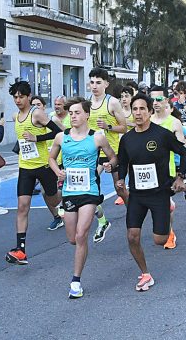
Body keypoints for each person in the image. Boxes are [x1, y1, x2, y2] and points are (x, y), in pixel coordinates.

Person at [116, 93, 186, 292]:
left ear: (149, 111)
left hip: (159, 193)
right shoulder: (127, 139)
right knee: (132, 236)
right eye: (135, 109)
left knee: (160, 240)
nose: (138, 113)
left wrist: (180, 176)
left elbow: (182, 151)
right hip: (138, 194)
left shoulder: (161, 135)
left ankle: (169, 208)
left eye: (142, 109)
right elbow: (123, 162)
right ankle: (145, 274)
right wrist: (121, 179)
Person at [49, 97, 117, 299]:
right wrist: (57, 172)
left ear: (87, 114)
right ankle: (92, 232)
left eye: (77, 112)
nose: (73, 116)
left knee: (81, 235)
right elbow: (51, 158)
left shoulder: (97, 138)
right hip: (70, 192)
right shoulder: (62, 137)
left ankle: (76, 282)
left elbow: (113, 156)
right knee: (72, 239)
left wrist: (109, 165)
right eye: (71, 113)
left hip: (90, 191)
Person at [5, 81, 62, 265]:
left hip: (44, 166)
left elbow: (57, 132)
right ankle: (20, 249)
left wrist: (37, 137)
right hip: (26, 167)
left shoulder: (36, 113)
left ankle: (70, 196)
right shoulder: (15, 116)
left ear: (29, 97)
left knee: (53, 199)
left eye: (21, 96)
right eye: (15, 97)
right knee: (22, 206)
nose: (18, 100)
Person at [88, 68, 128, 242]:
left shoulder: (112, 103)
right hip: (94, 152)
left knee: (119, 188)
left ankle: (133, 214)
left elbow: (124, 127)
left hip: (113, 151)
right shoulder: (86, 103)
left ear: (106, 83)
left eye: (98, 82)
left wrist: (107, 126)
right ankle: (102, 221)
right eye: (92, 82)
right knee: (87, 186)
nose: (94, 86)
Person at [150, 86, 186, 249]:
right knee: (155, 204)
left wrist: (181, 174)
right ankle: (172, 201)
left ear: (166, 100)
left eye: (159, 99)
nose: (155, 103)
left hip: (167, 170)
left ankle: (170, 233)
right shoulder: (147, 120)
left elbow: (183, 149)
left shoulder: (174, 122)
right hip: (148, 170)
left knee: (164, 205)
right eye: (152, 99)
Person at [29, 95, 64, 231]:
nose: (35, 108)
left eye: (38, 105)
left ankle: (71, 204)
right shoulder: (32, 120)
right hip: (44, 161)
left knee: (60, 191)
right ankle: (57, 217)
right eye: (33, 105)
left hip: (60, 159)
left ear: (44, 106)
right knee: (45, 193)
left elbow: (64, 133)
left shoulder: (52, 119)